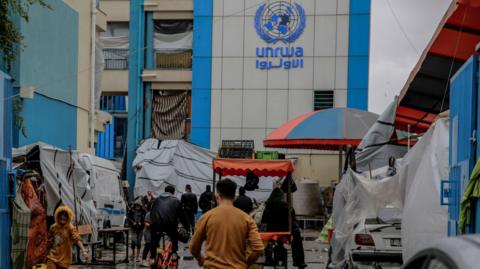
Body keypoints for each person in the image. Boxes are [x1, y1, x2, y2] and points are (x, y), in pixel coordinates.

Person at [190, 178, 264, 269]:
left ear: (217, 196)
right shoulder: (247, 219)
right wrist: (246, 264)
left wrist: (202, 260)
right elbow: (258, 249)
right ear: (235, 197)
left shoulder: (206, 217)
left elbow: (193, 248)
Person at [261, 188, 307, 269]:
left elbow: (264, 222)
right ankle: (299, 261)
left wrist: (262, 232)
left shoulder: (268, 206)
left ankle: (268, 258)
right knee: (296, 236)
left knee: (266, 240)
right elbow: (293, 220)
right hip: (285, 231)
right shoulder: (286, 206)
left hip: (271, 232)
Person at [150, 185, 188, 265]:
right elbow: (182, 216)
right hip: (169, 225)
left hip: (156, 225)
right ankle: (174, 254)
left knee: (154, 239)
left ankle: (153, 257)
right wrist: (186, 227)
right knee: (174, 236)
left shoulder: (156, 200)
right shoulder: (175, 200)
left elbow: (152, 213)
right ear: (173, 192)